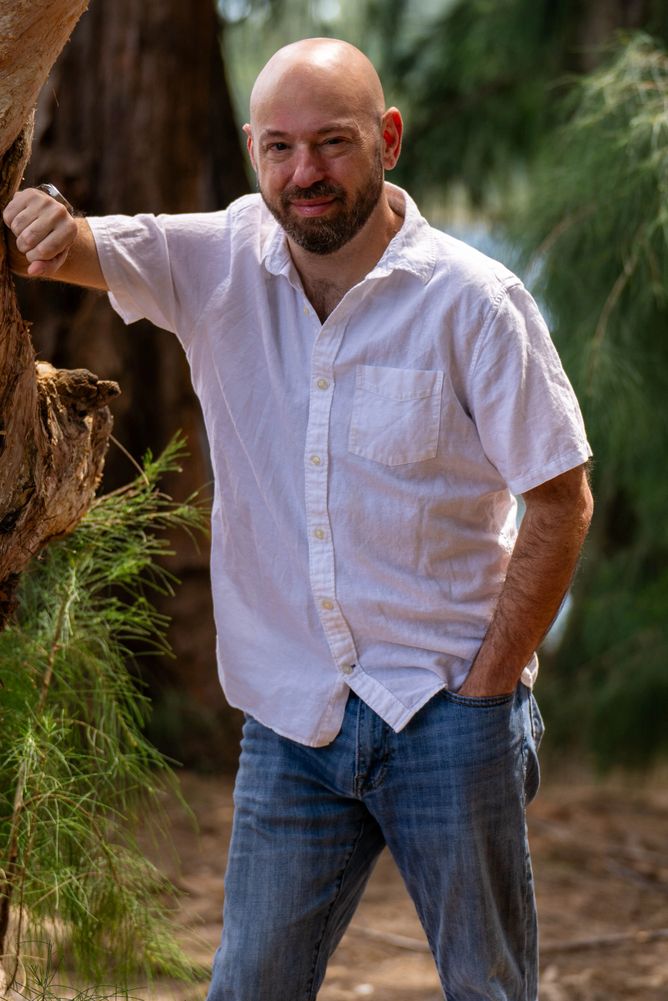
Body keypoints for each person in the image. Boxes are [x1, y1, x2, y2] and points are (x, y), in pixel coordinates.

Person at [4, 37, 593, 1001]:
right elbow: (71, 248)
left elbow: (562, 500)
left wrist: (487, 693)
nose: (303, 173)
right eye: (279, 148)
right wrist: (40, 213)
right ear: (252, 149)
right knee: (249, 988)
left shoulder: (477, 304)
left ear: (389, 138)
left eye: (332, 143)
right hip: (291, 721)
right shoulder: (222, 258)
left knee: (490, 990)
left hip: (445, 709)